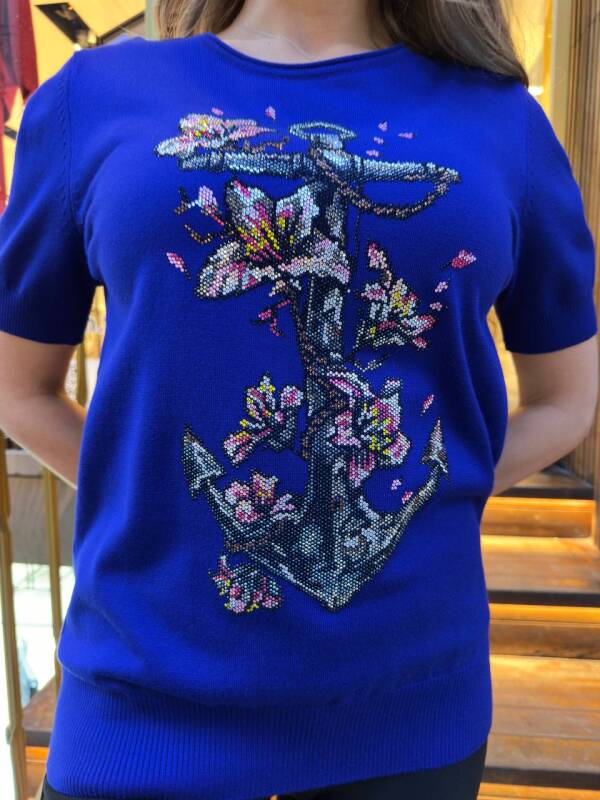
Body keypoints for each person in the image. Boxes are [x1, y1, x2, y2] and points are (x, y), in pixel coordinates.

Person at [0, 1, 597, 798]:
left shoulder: (504, 124)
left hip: (406, 717)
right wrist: (152, 493)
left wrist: (434, 491)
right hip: (140, 704)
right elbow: (18, 387)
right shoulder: (93, 98)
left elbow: (565, 401)